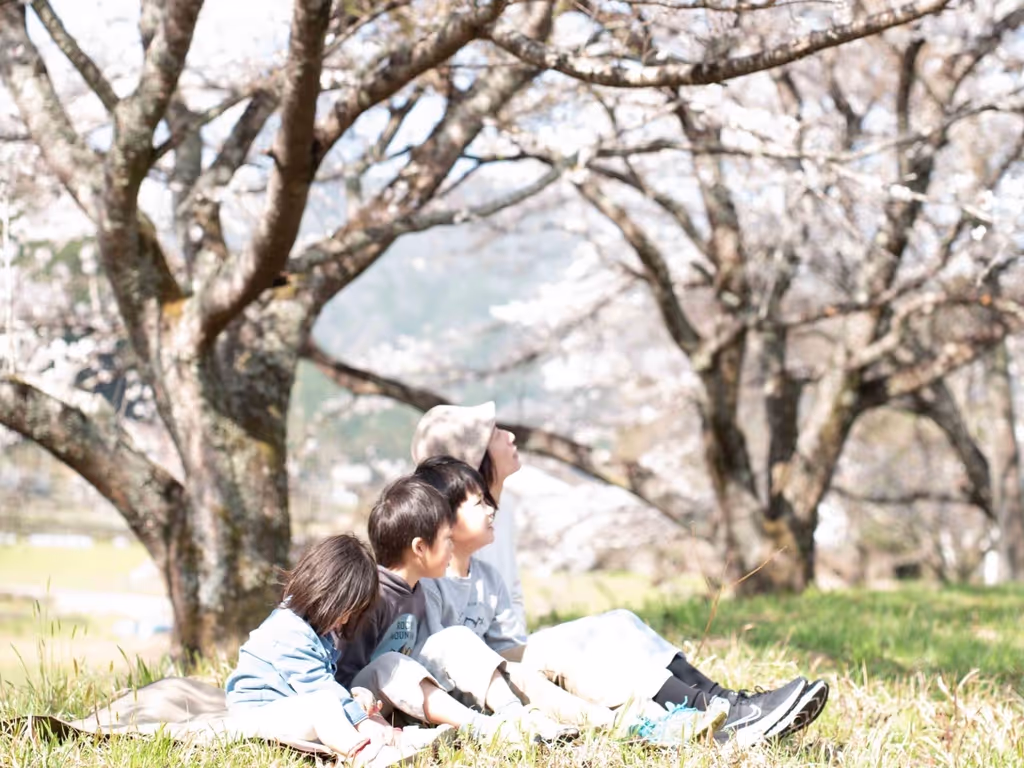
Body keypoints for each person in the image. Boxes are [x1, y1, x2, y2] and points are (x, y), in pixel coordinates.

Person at [409, 428, 829, 746]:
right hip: (482, 684)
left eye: (487, 500)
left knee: (620, 621)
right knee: (581, 648)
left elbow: (510, 640)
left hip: (509, 661)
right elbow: (442, 658)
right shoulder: (430, 583)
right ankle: (715, 713)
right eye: (478, 502)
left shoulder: (487, 573)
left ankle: (722, 701)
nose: (490, 508)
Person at [335, 475, 578, 746]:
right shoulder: (372, 597)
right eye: (447, 539)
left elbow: (437, 656)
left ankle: (515, 714)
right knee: (392, 663)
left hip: (406, 693)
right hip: (363, 703)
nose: (452, 547)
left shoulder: (418, 592)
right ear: (419, 547)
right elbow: (342, 675)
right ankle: (485, 728)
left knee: (454, 637)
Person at [224, 533, 423, 766]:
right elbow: (319, 687)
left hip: (292, 710)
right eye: (346, 610)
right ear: (326, 594)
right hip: (256, 716)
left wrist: (356, 702)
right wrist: (361, 720)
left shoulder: (314, 627)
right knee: (324, 703)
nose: (346, 619)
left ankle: (393, 739)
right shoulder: (288, 629)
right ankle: (366, 755)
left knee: (334, 702)